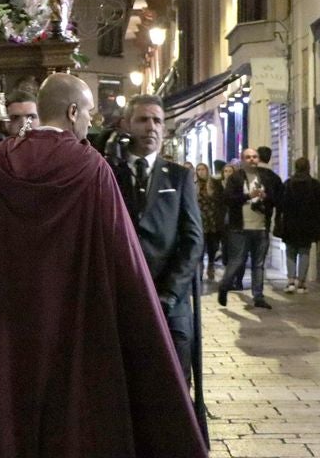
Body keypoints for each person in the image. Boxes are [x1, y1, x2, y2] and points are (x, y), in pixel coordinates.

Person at [0, 73, 207, 457]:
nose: (91, 122)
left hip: (4, 331)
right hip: (76, 329)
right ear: (73, 111)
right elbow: (122, 254)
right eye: (89, 113)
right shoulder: (91, 169)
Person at [112, 94, 206, 435]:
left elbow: (193, 240)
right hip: (125, 300)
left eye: (157, 121)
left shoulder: (179, 177)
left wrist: (169, 293)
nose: (151, 127)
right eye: (142, 120)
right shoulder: (110, 174)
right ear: (126, 125)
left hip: (171, 302)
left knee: (176, 384)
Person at [218, 147, 281, 309]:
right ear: (242, 160)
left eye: (254, 157)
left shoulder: (267, 177)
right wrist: (248, 196)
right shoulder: (235, 178)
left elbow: (279, 197)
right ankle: (224, 286)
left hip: (261, 228)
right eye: (248, 157)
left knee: (258, 264)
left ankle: (258, 296)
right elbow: (227, 199)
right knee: (237, 261)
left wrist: (266, 197)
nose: (252, 160)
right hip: (239, 228)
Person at [279, 157, 320, 292]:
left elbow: (281, 203)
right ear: (308, 167)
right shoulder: (314, 184)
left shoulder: (288, 184)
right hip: (307, 223)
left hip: (290, 223)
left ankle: (290, 281)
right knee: (304, 251)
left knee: (290, 252)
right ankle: (301, 283)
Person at [196, 163, 226, 283]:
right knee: (200, 246)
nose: (201, 172)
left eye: (203, 169)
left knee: (213, 245)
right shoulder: (194, 185)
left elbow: (220, 200)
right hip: (200, 220)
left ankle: (211, 265)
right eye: (198, 169)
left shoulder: (214, 183)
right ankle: (200, 269)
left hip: (213, 219)